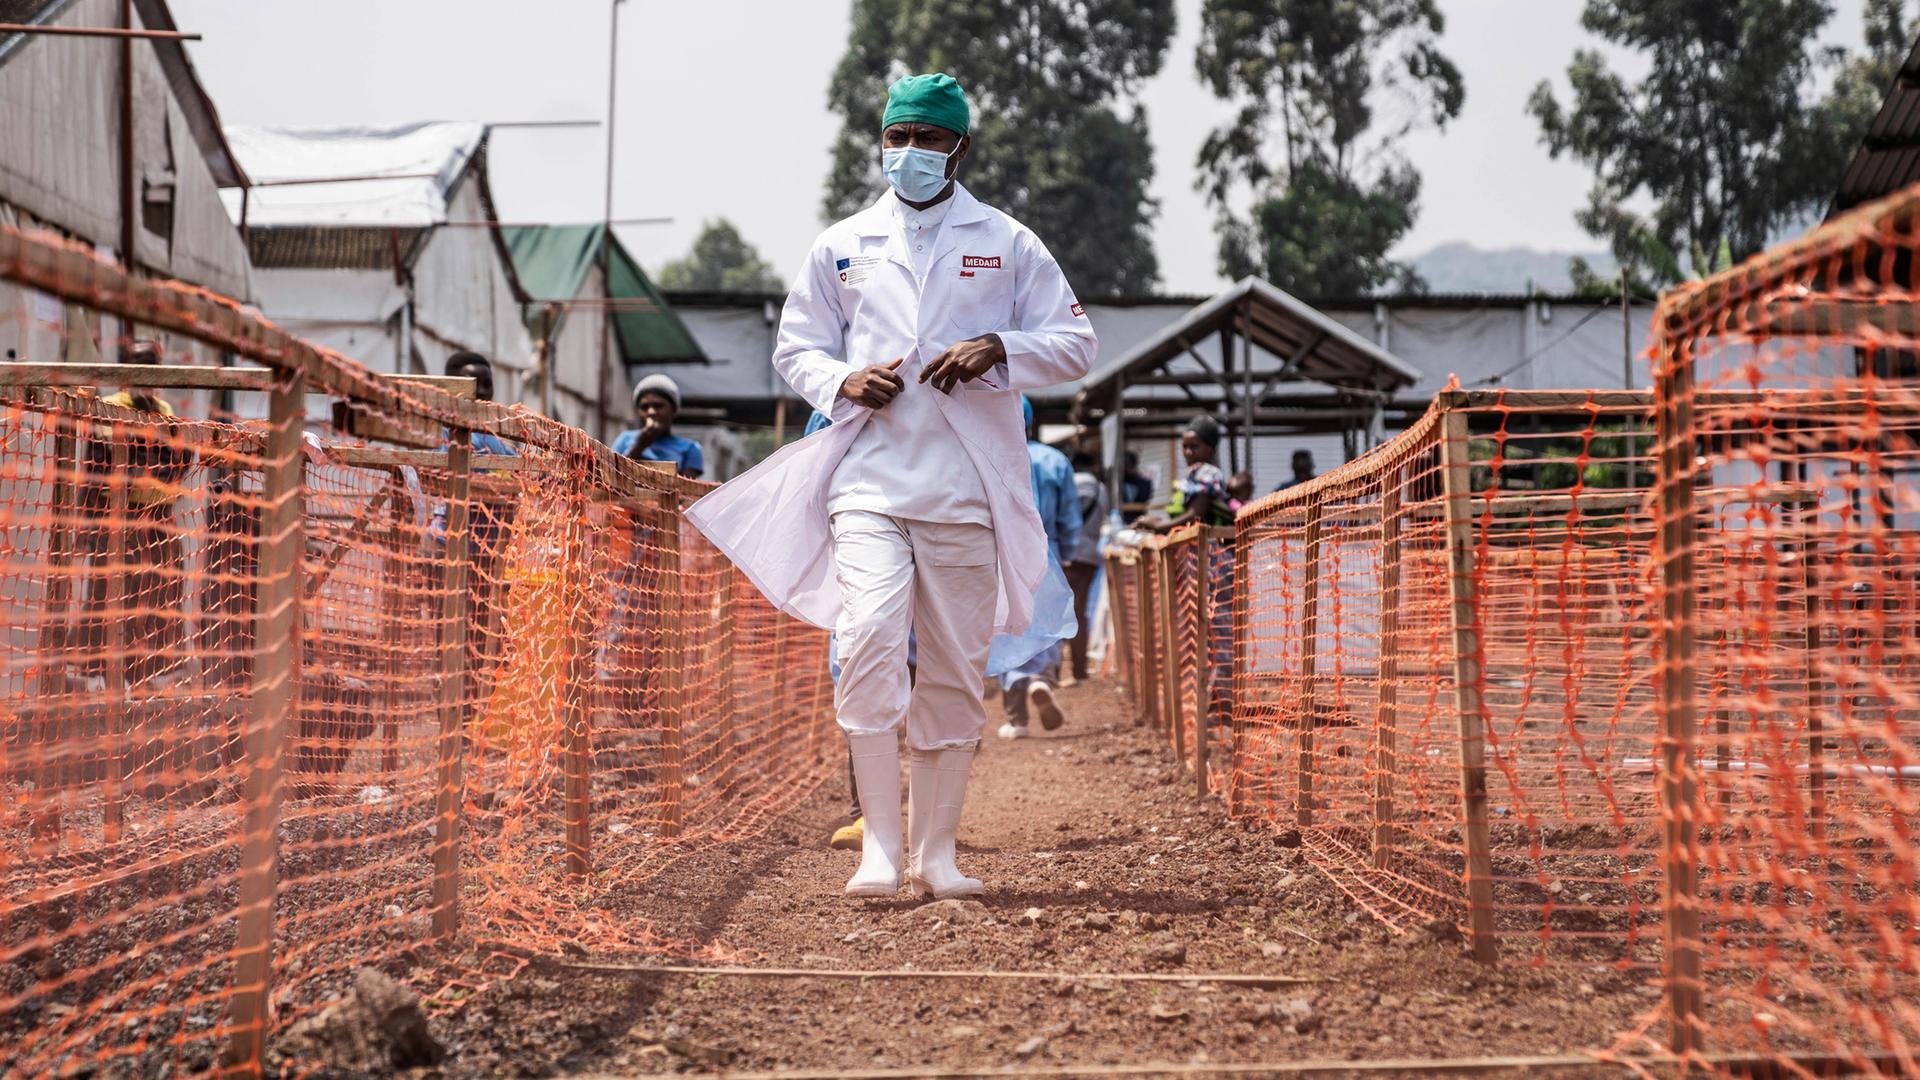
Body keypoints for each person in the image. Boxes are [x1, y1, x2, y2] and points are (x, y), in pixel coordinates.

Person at [686, 72, 1096, 901]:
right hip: (868, 482)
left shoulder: (1009, 242)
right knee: (870, 638)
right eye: (897, 136)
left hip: (970, 493)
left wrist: (999, 348)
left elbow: (1076, 345)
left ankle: (937, 855)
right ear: (882, 141)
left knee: (953, 668)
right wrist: (842, 382)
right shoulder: (841, 244)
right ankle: (879, 847)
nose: (908, 152)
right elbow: (796, 347)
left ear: (960, 148)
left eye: (928, 138)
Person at [77, 338, 194, 689]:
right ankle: (106, 683)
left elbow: (180, 461)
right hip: (117, 524)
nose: (148, 376)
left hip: (158, 524)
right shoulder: (109, 409)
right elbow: (100, 468)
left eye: (153, 369)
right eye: (140, 368)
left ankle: (145, 680)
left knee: (157, 603)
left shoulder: (166, 411)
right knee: (111, 602)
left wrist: (155, 468)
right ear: (127, 373)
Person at [996, 398, 1080, 739]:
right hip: (1048, 552)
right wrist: (1070, 552)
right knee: (1045, 621)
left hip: (1004, 553)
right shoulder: (1055, 460)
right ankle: (1042, 680)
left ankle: (1017, 715)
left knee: (1007, 625)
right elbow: (1069, 513)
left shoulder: (994, 456)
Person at [1144, 415, 1234, 533]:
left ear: (1210, 448)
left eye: (1194, 446)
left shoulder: (1208, 474)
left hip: (1209, 548)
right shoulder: (1194, 475)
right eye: (1185, 446)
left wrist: (1159, 525)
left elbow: (1195, 516)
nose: (1188, 452)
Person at [1065, 451, 1108, 683]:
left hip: (1071, 551)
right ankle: (1079, 669)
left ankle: (1072, 670)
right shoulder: (1101, 488)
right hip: (1091, 553)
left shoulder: (1072, 482)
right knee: (1080, 611)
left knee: (1069, 611)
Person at [612, 373, 704, 479]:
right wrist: (639, 446)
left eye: (658, 406)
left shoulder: (690, 448)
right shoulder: (625, 439)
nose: (651, 412)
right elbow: (613, 476)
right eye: (644, 407)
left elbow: (687, 489)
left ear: (673, 410)